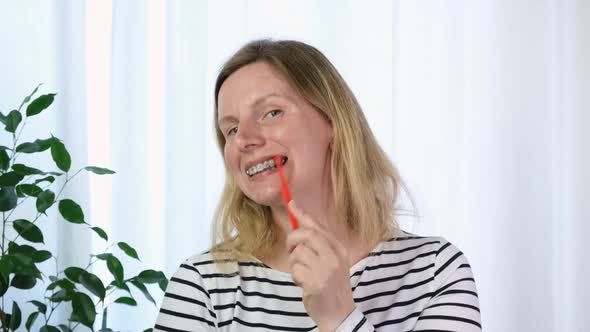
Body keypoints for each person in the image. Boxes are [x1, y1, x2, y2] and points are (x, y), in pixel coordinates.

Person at [154, 39, 481, 331]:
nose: (245, 140)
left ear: (333, 121)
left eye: (271, 113)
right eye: (231, 129)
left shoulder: (435, 270)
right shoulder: (203, 284)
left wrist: (339, 317)